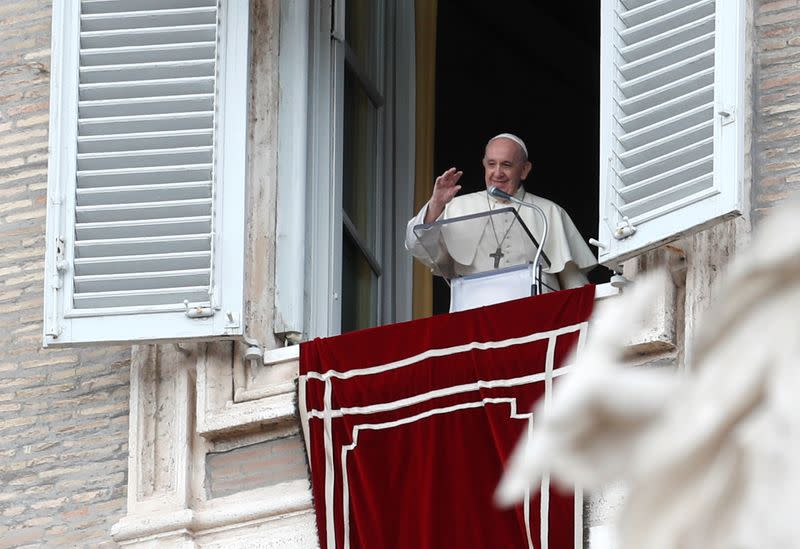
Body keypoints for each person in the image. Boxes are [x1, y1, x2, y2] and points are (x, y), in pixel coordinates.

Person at [405, 133, 596, 292]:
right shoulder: (457, 207)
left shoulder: (548, 211)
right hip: (475, 314)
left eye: (506, 165)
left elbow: (574, 283)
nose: (497, 173)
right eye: (491, 164)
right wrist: (436, 204)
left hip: (537, 318)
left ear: (524, 170)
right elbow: (417, 246)